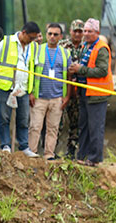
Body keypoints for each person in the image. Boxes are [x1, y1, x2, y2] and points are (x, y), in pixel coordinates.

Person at [68, 18, 113, 167]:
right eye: (85, 31)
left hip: (97, 94)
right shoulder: (86, 47)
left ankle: (94, 158)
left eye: (89, 31)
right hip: (85, 92)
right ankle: (83, 156)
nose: (86, 34)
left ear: (97, 32)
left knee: (95, 127)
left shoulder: (101, 48)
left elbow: (102, 70)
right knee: (84, 126)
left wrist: (80, 70)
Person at [0, 21, 39, 156]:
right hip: (6, 87)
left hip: (23, 88)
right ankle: (6, 145)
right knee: (4, 117)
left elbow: (33, 68)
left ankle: (24, 147)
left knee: (23, 119)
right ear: (23, 33)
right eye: (30, 38)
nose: (31, 41)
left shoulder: (34, 47)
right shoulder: (6, 42)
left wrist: (31, 91)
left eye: (34, 39)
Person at [29, 23, 70, 160]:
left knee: (53, 128)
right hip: (39, 97)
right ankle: (32, 153)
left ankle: (49, 154)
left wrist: (67, 96)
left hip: (57, 98)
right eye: (50, 34)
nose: (52, 37)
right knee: (35, 126)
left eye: (55, 34)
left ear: (61, 37)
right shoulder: (37, 50)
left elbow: (69, 76)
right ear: (46, 35)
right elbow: (31, 72)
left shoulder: (65, 53)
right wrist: (31, 92)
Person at [58, 19, 84, 159]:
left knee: (76, 123)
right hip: (62, 88)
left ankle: (71, 152)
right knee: (58, 122)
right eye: (75, 31)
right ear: (70, 31)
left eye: (80, 31)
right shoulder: (62, 45)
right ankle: (51, 151)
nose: (78, 34)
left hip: (78, 91)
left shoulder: (86, 48)